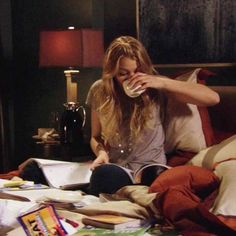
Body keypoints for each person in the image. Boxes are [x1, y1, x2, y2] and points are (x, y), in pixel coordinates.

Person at [85, 36, 220, 196]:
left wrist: (162, 82)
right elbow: (95, 137)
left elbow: (213, 98)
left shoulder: (156, 87)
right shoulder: (100, 90)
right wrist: (101, 153)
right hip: (119, 169)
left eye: (137, 71)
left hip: (152, 169)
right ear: (113, 73)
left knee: (165, 185)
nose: (132, 78)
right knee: (103, 177)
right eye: (123, 74)